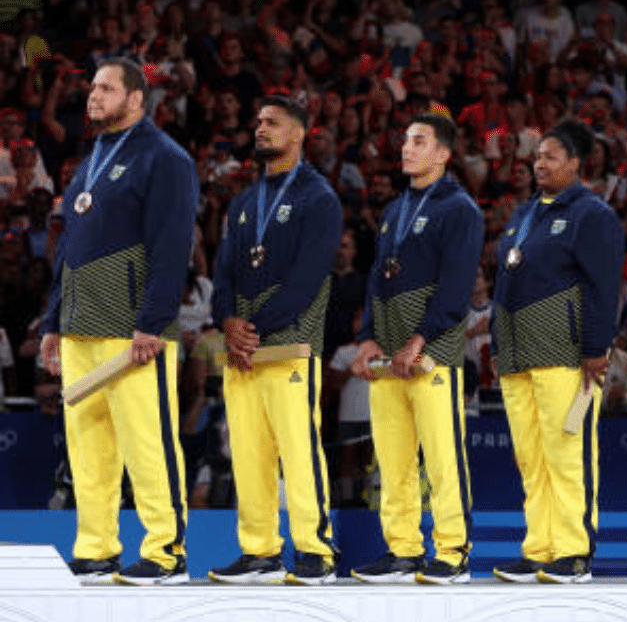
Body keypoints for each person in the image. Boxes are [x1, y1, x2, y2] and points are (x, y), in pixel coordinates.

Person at [39, 57, 198, 585]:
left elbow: (172, 245)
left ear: (136, 98)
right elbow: (71, 249)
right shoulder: (92, 158)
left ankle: (165, 551)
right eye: (92, 88)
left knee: (148, 442)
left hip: (134, 330)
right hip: (83, 322)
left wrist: (153, 320)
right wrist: (53, 321)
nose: (93, 95)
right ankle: (97, 546)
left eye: (107, 88)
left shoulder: (165, 158)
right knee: (88, 447)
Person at [208, 95, 343, 585]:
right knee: (248, 451)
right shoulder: (245, 201)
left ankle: (315, 552)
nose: (260, 128)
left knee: (297, 447)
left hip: (289, 343)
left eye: (272, 123)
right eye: (258, 120)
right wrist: (226, 320)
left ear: (298, 133)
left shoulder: (319, 197)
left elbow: (307, 280)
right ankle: (259, 551)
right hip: (241, 346)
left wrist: (252, 327)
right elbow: (221, 272)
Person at [348, 113, 484, 585]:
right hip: (388, 355)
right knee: (394, 459)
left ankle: (452, 552)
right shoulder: (393, 210)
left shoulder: (459, 208)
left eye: (419, 141)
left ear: (443, 154)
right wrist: (367, 336)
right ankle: (402, 550)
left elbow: (456, 286)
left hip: (432, 356)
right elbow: (376, 282)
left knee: (443, 458)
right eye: (405, 140)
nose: (407, 148)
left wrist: (419, 339)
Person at [489, 118, 624, 584]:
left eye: (549, 156)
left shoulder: (593, 213)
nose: (538, 162)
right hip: (518, 354)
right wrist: (497, 342)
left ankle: (573, 551)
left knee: (568, 454)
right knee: (532, 457)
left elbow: (606, 287)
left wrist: (595, 347)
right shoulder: (525, 213)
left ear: (575, 163)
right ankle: (540, 547)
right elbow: (506, 277)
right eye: (537, 155)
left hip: (566, 354)